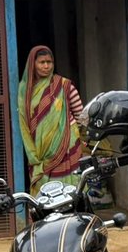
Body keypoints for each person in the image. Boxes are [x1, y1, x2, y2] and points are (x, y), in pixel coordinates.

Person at [17, 45, 87, 190]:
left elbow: (81, 116)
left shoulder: (64, 85)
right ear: (33, 64)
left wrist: (77, 137)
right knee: (46, 189)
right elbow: (24, 122)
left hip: (67, 145)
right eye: (42, 62)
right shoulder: (25, 90)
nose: (46, 66)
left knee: (71, 187)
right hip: (40, 150)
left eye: (49, 62)